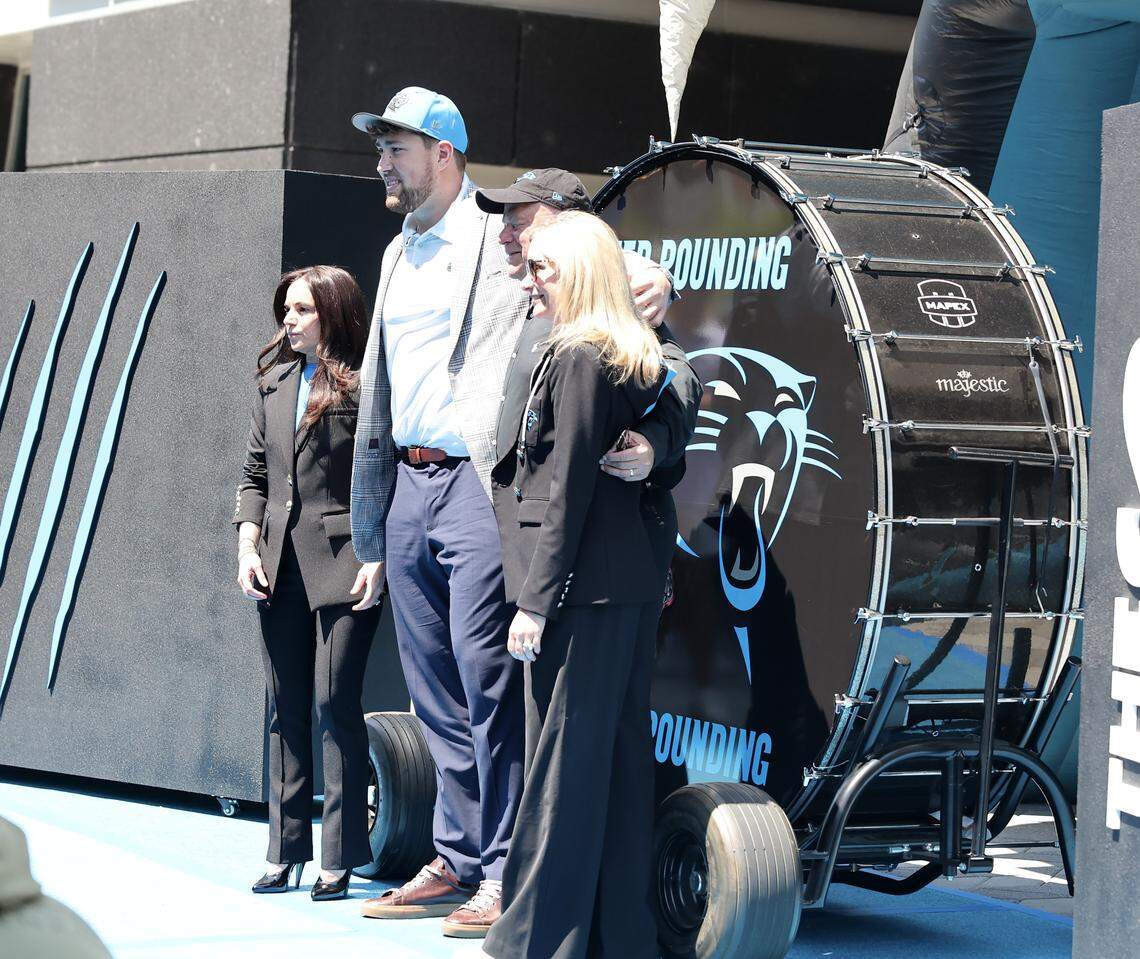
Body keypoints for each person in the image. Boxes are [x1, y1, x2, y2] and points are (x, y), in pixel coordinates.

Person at [347, 87, 678, 937]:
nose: (382, 162)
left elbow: (644, 334)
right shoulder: (396, 252)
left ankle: (503, 867)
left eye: (397, 147)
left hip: (482, 484)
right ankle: (458, 853)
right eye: (381, 148)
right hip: (410, 486)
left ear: (444, 153)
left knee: (493, 681)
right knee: (435, 690)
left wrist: (660, 424)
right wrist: (375, 520)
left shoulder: (527, 241)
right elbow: (382, 389)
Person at [483, 211, 666, 959]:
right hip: (610, 589)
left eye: (544, 269)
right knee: (612, 764)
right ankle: (612, 938)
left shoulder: (584, 357)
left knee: (563, 768)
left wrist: (535, 600)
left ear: (580, 272)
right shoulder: (611, 352)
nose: (531, 281)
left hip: (583, 593)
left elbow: (568, 489)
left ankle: (535, 940)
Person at [233, 265, 385, 901]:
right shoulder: (273, 382)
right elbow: (254, 473)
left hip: (347, 562)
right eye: (285, 309)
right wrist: (247, 541)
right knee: (284, 707)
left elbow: (386, 473)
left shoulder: (368, 383)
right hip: (278, 566)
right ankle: (284, 849)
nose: (286, 320)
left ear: (332, 312)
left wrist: (376, 554)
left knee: (333, 706)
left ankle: (338, 856)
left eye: (299, 309)